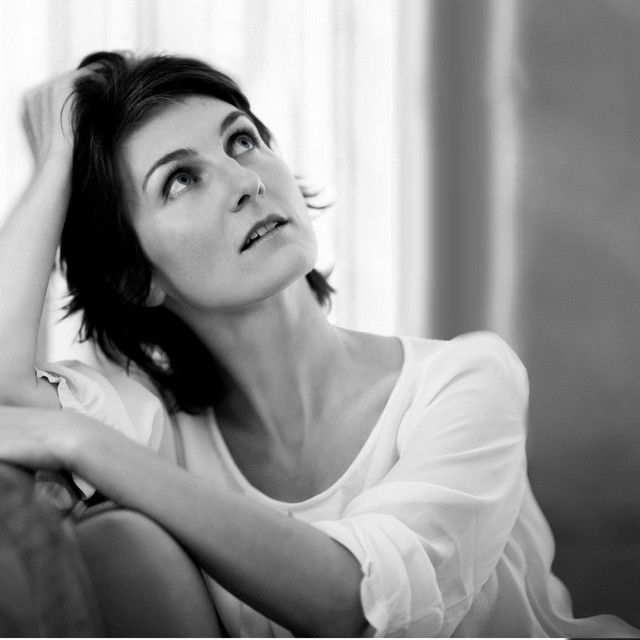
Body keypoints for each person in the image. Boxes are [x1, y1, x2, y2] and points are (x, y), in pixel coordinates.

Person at [0, 51, 637, 638]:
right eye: (182, 179)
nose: (244, 181)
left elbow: (355, 604)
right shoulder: (160, 431)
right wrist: (55, 162)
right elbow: (7, 388)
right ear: (133, 277)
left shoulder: (464, 381)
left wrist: (82, 443)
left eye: (242, 141)